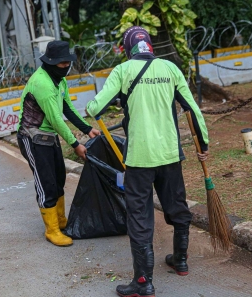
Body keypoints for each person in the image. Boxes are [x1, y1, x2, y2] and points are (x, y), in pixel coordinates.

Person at [85, 27, 209, 297]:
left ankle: (143, 282)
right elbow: (193, 110)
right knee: (176, 204)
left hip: (140, 158)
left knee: (140, 217)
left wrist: (118, 98)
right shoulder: (170, 68)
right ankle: (181, 260)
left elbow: (94, 109)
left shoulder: (122, 71)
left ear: (128, 48)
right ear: (150, 46)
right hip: (169, 154)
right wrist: (204, 144)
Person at [17, 40, 100, 247]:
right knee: (46, 182)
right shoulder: (42, 83)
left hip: (49, 137)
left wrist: (87, 129)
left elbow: (67, 108)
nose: (66, 67)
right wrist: (75, 145)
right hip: (32, 138)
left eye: (67, 63)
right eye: (62, 64)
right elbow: (55, 118)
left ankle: (61, 220)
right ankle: (52, 230)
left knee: (59, 178)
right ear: (51, 62)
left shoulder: (58, 81)